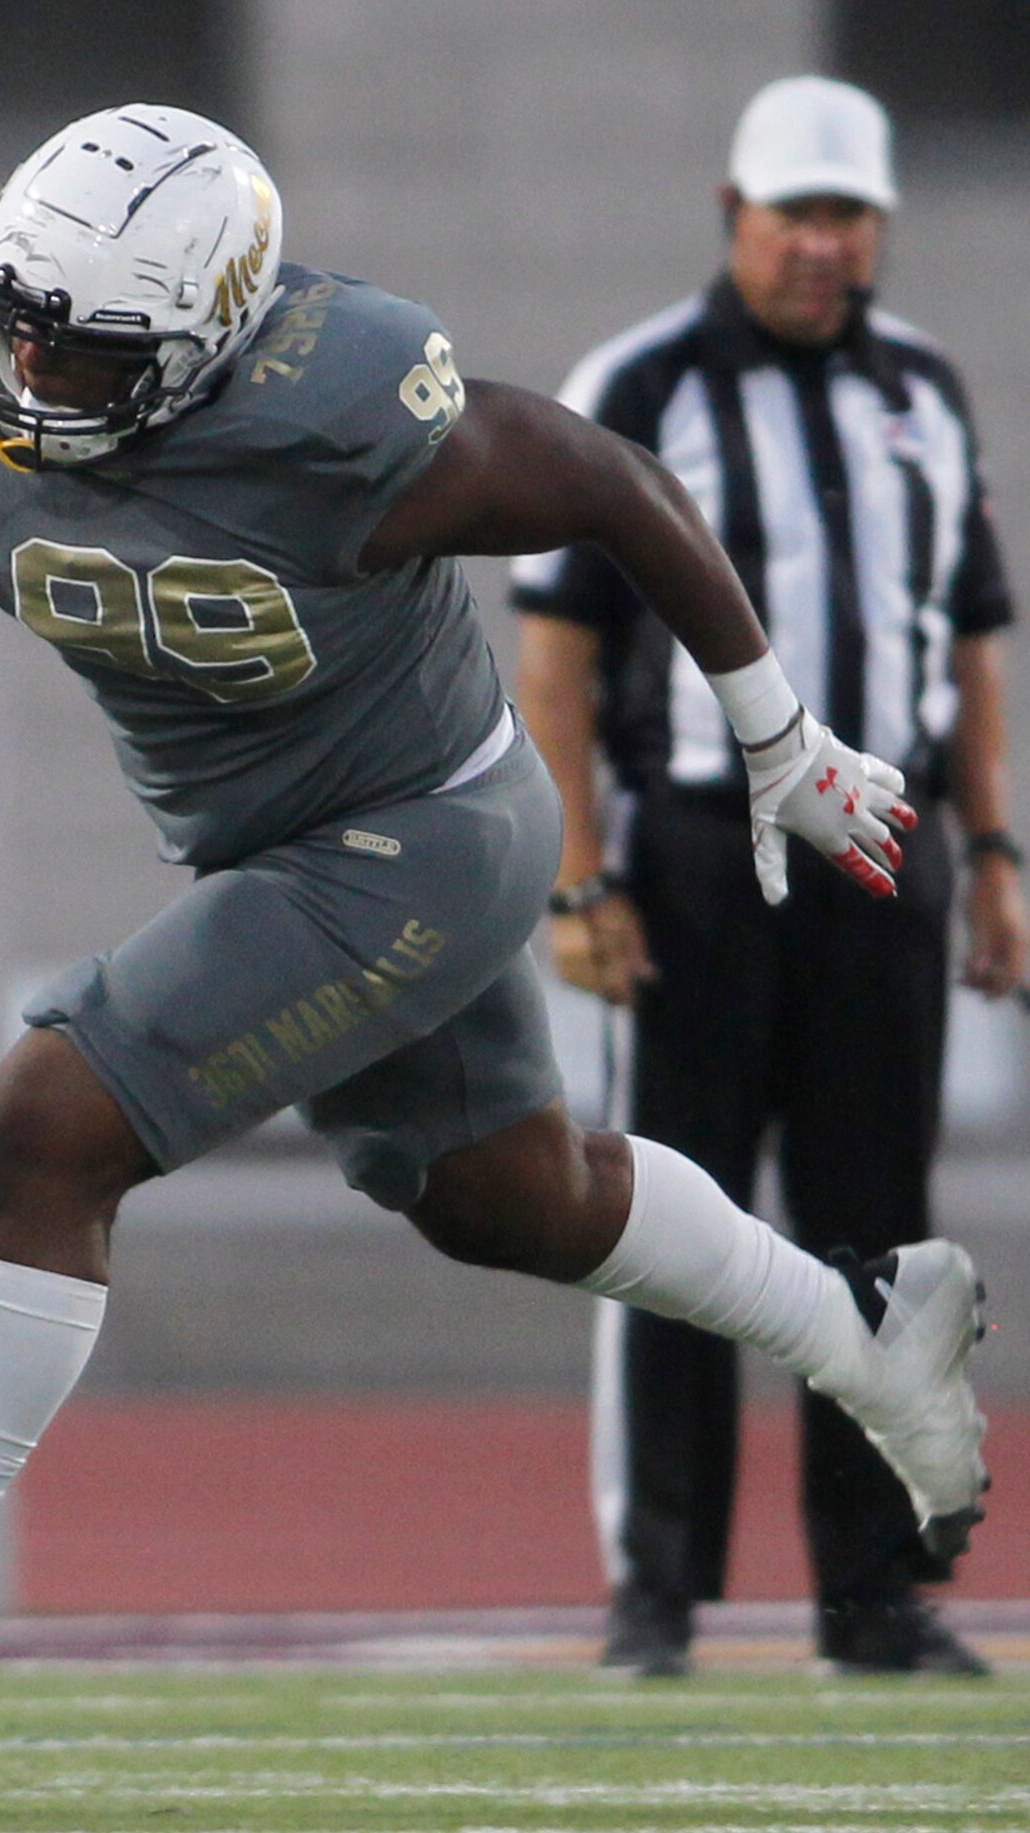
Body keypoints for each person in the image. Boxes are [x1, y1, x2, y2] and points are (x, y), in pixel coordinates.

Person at [0, 102, 991, 1755]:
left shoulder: (338, 416)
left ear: (208, 340)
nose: (29, 375)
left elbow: (617, 486)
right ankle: (859, 1326)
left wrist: (777, 739)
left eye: (83, 351)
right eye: (18, 326)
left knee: (45, 1124)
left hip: (427, 829)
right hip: (277, 842)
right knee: (511, 1195)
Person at [513, 76, 1021, 1677]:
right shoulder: (640, 383)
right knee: (672, 1219)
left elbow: (971, 637)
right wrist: (576, 879)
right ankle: (654, 1591)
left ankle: (871, 1596)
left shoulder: (926, 389)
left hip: (885, 856)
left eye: (846, 214)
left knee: (876, 1226)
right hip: (693, 859)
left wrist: (994, 849)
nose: (821, 244)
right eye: (794, 212)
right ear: (731, 213)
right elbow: (555, 657)